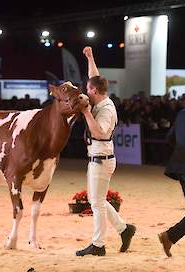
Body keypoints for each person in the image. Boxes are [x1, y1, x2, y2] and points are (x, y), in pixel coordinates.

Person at [76, 46, 136, 257]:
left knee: (97, 202)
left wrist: (85, 112)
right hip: (99, 158)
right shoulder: (100, 96)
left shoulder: (107, 109)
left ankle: (98, 244)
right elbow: (94, 76)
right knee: (97, 200)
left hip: (101, 158)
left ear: (93, 91)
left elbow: (100, 133)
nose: (86, 91)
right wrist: (91, 57)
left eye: (87, 89)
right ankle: (124, 229)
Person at [158, 105, 185, 257]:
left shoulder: (183, 114)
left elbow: (169, 137)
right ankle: (171, 236)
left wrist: (184, 151)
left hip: (180, 165)